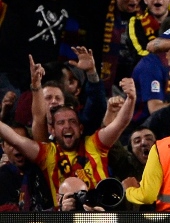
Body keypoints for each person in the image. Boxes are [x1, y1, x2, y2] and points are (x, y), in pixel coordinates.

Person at [0, 78, 136, 208]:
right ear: (52, 129)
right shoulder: (48, 153)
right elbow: (14, 139)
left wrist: (131, 98)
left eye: (72, 121)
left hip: (101, 216)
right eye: (61, 122)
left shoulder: (94, 143)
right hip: (64, 220)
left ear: (80, 128)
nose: (67, 126)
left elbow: (120, 123)